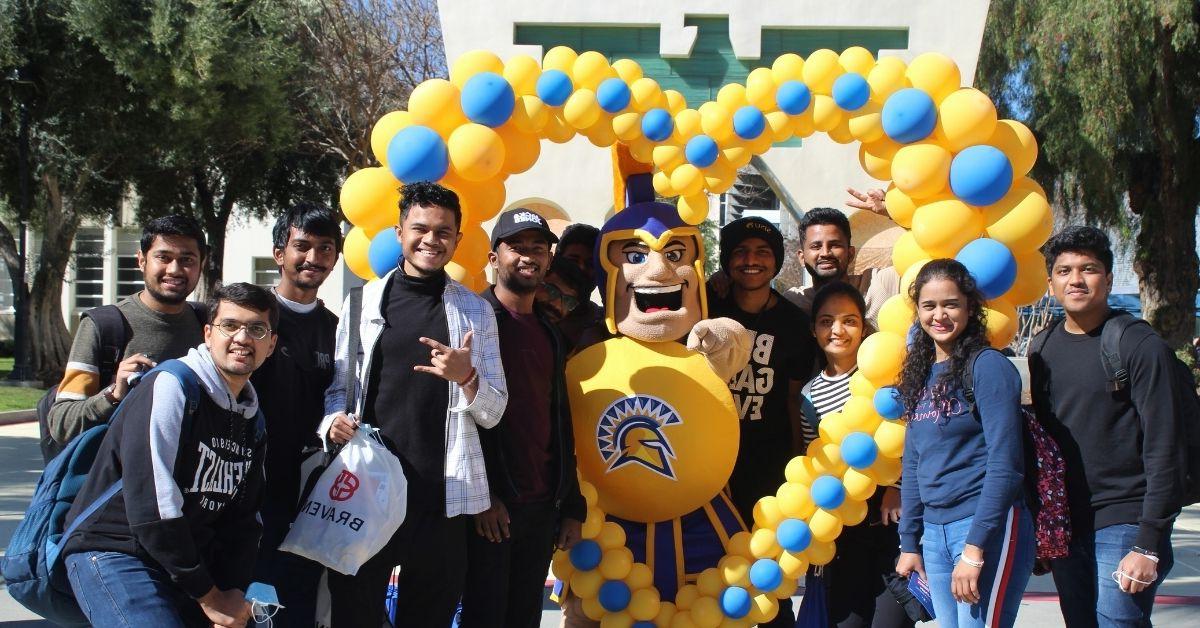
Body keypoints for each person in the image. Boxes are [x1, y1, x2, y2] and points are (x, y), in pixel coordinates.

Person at [319, 181, 508, 627]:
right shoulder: (362, 301)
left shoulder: (476, 312)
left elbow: (494, 412)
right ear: (399, 232)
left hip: (442, 499)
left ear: (458, 241)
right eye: (420, 228)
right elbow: (337, 390)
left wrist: (467, 378)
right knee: (355, 615)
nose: (431, 240)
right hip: (368, 492)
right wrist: (333, 423)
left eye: (444, 232)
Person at [61, 282, 278, 628]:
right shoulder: (172, 386)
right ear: (208, 334)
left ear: (271, 343)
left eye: (256, 329)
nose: (242, 338)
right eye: (230, 326)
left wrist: (231, 593)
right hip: (116, 550)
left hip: (183, 562)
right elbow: (154, 508)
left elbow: (244, 521)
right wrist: (210, 597)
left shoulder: (252, 418)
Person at [1030, 226, 1185, 627]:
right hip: (1067, 521)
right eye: (1064, 271)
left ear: (1109, 278)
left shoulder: (1138, 345)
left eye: (1089, 269)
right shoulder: (1041, 347)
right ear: (1050, 284)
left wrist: (1149, 542)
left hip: (1126, 518)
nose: (1076, 279)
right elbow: (1044, 447)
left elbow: (1165, 444)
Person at [893, 259, 1034, 628]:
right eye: (929, 306)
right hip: (935, 534)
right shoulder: (922, 373)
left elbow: (1006, 464)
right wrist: (910, 542)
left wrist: (975, 550)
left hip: (983, 527)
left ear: (970, 308)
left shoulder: (988, 366)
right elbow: (913, 464)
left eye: (950, 304)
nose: (939, 315)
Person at [463, 208, 585, 627]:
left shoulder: (550, 333)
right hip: (489, 512)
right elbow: (457, 422)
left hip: (540, 509)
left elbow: (559, 422)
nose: (528, 256)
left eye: (539, 248)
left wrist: (570, 504)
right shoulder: (472, 323)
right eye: (517, 247)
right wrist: (483, 496)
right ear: (494, 257)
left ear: (549, 261)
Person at [707, 216, 815, 626]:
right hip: (709, 462)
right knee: (708, 569)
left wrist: (796, 463)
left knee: (770, 577)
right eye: (740, 251)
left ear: (777, 262)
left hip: (767, 466)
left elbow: (792, 398)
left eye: (762, 252)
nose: (751, 261)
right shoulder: (707, 305)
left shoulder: (794, 322)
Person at [249, 203, 341, 627]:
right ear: (278, 253)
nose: (313, 258)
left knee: (299, 605)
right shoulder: (250, 318)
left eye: (325, 248)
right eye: (302, 246)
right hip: (246, 491)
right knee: (249, 604)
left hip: (311, 493)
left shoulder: (339, 328)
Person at [801, 281, 910, 628]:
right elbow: (814, 462)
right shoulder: (809, 393)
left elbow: (912, 436)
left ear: (864, 326)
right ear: (814, 329)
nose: (837, 330)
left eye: (849, 320)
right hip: (843, 530)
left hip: (892, 522)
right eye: (826, 321)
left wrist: (898, 487)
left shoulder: (887, 376)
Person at [49, 214, 208, 447]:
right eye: (163, 257)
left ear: (201, 265)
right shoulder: (103, 325)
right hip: (122, 480)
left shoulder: (208, 325)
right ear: (142, 260)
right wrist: (113, 394)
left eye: (187, 260)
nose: (174, 269)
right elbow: (61, 423)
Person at [783, 206, 898, 325]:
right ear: (802, 258)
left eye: (835, 245)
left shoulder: (878, 283)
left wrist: (893, 210)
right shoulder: (794, 301)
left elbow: (918, 264)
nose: (825, 253)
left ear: (851, 253)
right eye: (816, 246)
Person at [553, 223, 604, 346]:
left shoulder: (607, 324)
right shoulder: (533, 315)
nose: (581, 268)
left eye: (590, 264)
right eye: (573, 260)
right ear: (556, 261)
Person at [536, 255, 594, 350]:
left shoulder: (561, 349)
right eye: (552, 291)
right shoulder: (505, 322)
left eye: (568, 301)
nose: (557, 305)